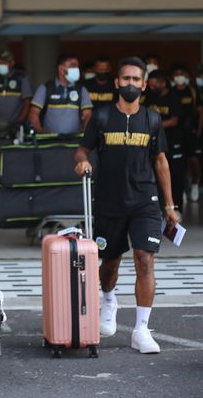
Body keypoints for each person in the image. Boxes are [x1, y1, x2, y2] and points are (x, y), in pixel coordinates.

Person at [74, 57, 178, 354]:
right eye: (126, 79)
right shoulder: (103, 117)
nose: (130, 84)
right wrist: (81, 161)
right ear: (117, 83)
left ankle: (141, 329)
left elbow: (160, 161)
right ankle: (109, 301)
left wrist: (169, 205)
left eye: (136, 80)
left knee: (145, 259)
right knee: (110, 264)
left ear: (144, 85)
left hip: (145, 200)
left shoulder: (153, 119)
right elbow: (83, 148)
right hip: (109, 200)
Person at [145, 70, 186, 213]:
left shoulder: (173, 97)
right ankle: (159, 207)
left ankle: (176, 208)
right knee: (156, 176)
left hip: (172, 142)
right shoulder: (149, 98)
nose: (151, 88)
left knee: (175, 176)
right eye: (149, 85)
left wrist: (154, 125)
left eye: (154, 85)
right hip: (154, 144)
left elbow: (174, 121)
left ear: (163, 83)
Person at [29, 54, 93, 135]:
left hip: (74, 141)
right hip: (49, 141)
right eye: (73, 66)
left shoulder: (81, 89)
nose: (76, 69)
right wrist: (40, 132)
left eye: (77, 66)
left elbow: (88, 114)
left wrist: (84, 130)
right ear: (61, 69)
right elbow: (33, 113)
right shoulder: (46, 88)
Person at [170, 63, 200, 202]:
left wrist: (198, 130)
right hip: (175, 132)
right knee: (178, 162)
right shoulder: (170, 92)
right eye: (176, 74)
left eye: (182, 73)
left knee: (193, 159)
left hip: (191, 131)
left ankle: (195, 184)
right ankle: (180, 188)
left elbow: (199, 112)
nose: (179, 77)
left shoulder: (192, 91)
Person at [0, 50, 33, 124]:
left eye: (3, 63)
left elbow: (27, 103)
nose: (0, 65)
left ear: (12, 63)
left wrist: (19, 121)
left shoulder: (21, 78)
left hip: (17, 124)